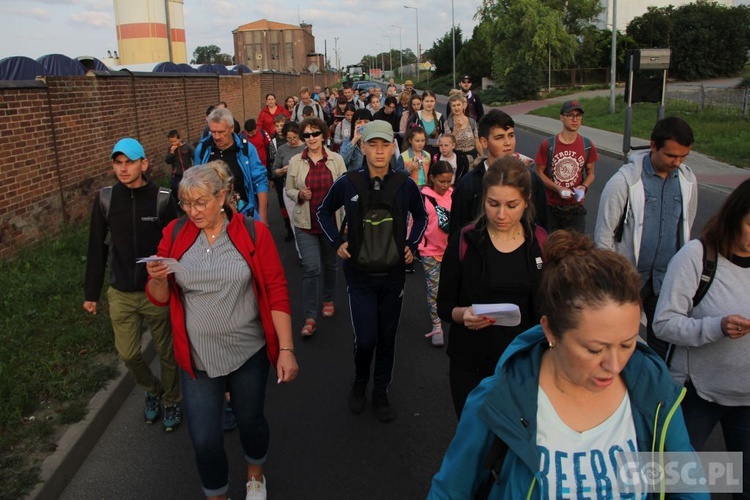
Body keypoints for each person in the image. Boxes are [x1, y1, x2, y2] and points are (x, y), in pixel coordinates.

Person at [429, 230, 705, 499]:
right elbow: (451, 490)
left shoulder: (653, 389)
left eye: (628, 344)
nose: (614, 364)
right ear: (550, 331)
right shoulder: (497, 399)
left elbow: (688, 487)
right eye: (595, 349)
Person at [145, 161, 298, 500]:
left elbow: (276, 290)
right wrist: (157, 279)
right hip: (197, 358)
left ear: (224, 196)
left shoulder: (253, 233)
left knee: (250, 421)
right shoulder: (174, 233)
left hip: (248, 353)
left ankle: (255, 474)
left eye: (201, 202)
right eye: (186, 203)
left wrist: (286, 349)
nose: (193, 211)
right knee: (203, 438)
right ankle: (217, 495)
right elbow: (158, 299)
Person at [317, 121, 427, 423]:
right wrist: (337, 242)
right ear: (362, 147)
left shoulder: (405, 184)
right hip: (359, 275)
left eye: (385, 144)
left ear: (393, 147)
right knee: (366, 338)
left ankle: (380, 391)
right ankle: (360, 380)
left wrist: (412, 246)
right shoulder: (348, 182)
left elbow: (420, 217)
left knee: (387, 338)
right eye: (373, 144)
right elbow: (323, 211)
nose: (379, 151)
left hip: (393, 275)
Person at [653, 179, 750, 498]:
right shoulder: (698, 256)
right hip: (696, 395)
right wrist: (716, 327)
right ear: (734, 216)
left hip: (746, 399)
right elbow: (663, 324)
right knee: (673, 485)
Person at [83, 138, 182, 431]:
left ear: (144, 164)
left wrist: (175, 282)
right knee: (127, 353)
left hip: (156, 291)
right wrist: (91, 293)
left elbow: (177, 246)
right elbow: (96, 248)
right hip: (121, 291)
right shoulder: (106, 199)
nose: (123, 169)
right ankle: (152, 389)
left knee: (167, 352)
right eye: (118, 163)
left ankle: (172, 399)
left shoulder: (163, 198)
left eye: (129, 162)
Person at [437, 155, 546, 417]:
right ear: (483, 197)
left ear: (527, 201)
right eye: (493, 204)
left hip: (523, 366)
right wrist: (463, 315)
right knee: (474, 443)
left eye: (512, 205)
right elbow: (444, 306)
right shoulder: (465, 241)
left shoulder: (540, 243)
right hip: (470, 365)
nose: (501, 214)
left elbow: (551, 310)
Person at [594, 116, 697, 360]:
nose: (677, 162)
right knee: (620, 338)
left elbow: (686, 227)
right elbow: (604, 236)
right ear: (653, 146)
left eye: (684, 156)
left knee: (663, 341)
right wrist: (609, 280)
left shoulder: (687, 181)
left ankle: (657, 387)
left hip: (665, 279)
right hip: (628, 280)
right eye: (671, 155)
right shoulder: (624, 182)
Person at [285, 117, 347, 337]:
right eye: (307, 135)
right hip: (305, 222)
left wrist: (346, 222)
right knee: (311, 268)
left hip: (330, 223)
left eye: (315, 133)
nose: (311, 138)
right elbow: (289, 189)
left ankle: (328, 299)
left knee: (330, 265)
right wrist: (299, 194)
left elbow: (346, 191)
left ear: (323, 135)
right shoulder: (295, 161)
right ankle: (310, 316)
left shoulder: (336, 160)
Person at [450, 109, 548, 236]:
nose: (508, 143)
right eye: (499, 137)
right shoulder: (468, 184)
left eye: (511, 135)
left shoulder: (531, 179)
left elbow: (542, 227)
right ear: (484, 142)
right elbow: (457, 234)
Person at [534, 100, 599, 233]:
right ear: (561, 117)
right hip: (552, 207)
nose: (575, 119)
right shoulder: (549, 145)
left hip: (575, 207)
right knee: (552, 248)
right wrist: (557, 188)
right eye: (570, 115)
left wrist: (584, 186)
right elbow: (539, 173)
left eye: (578, 115)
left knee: (577, 249)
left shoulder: (587, 145)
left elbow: (591, 173)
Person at [195, 108, 269, 222]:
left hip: (243, 214)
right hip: (213, 216)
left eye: (221, 132)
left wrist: (262, 216)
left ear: (231, 128)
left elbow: (260, 181)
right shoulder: (203, 149)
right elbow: (196, 182)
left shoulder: (247, 149)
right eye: (213, 132)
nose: (216, 137)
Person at [419, 161, 454, 347]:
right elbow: (415, 224)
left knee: (453, 288)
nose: (446, 185)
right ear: (432, 178)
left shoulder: (454, 195)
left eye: (449, 181)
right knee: (434, 291)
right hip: (430, 252)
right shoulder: (423, 198)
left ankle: (454, 318)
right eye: (442, 181)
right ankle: (436, 326)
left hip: (451, 252)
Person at [273, 122, 306, 245]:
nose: (292, 141)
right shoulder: (282, 150)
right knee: (293, 220)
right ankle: (301, 251)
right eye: (289, 138)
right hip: (289, 188)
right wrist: (282, 170)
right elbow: (274, 170)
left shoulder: (306, 147)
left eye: (295, 138)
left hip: (305, 186)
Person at [267, 115, 294, 242]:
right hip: (279, 177)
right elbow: (271, 161)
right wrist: (271, 178)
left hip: (293, 177)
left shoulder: (292, 140)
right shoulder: (273, 142)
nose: (279, 128)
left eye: (281, 125)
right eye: (276, 126)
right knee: (282, 204)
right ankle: (288, 228)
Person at [444, 92, 483, 167]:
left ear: (463, 106)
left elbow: (477, 143)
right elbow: (448, 142)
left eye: (458, 105)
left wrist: (482, 158)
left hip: (472, 159)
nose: (456, 108)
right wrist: (456, 130)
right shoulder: (448, 123)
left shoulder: (471, 121)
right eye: (454, 106)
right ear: (451, 107)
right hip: (456, 159)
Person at [406, 90, 445, 158]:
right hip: (417, 155)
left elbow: (445, 135)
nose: (429, 104)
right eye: (427, 101)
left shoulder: (440, 117)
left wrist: (440, 142)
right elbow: (407, 136)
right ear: (422, 102)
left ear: (435, 102)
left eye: (431, 101)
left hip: (436, 155)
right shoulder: (415, 117)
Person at [165, 129, 194, 203]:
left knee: (188, 189)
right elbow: (168, 161)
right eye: (171, 142)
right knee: (174, 188)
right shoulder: (170, 149)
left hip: (187, 172)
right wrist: (171, 153)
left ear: (179, 139)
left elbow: (194, 156)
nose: (173, 143)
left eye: (175, 141)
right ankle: (177, 204)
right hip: (176, 173)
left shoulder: (187, 147)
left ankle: (188, 203)